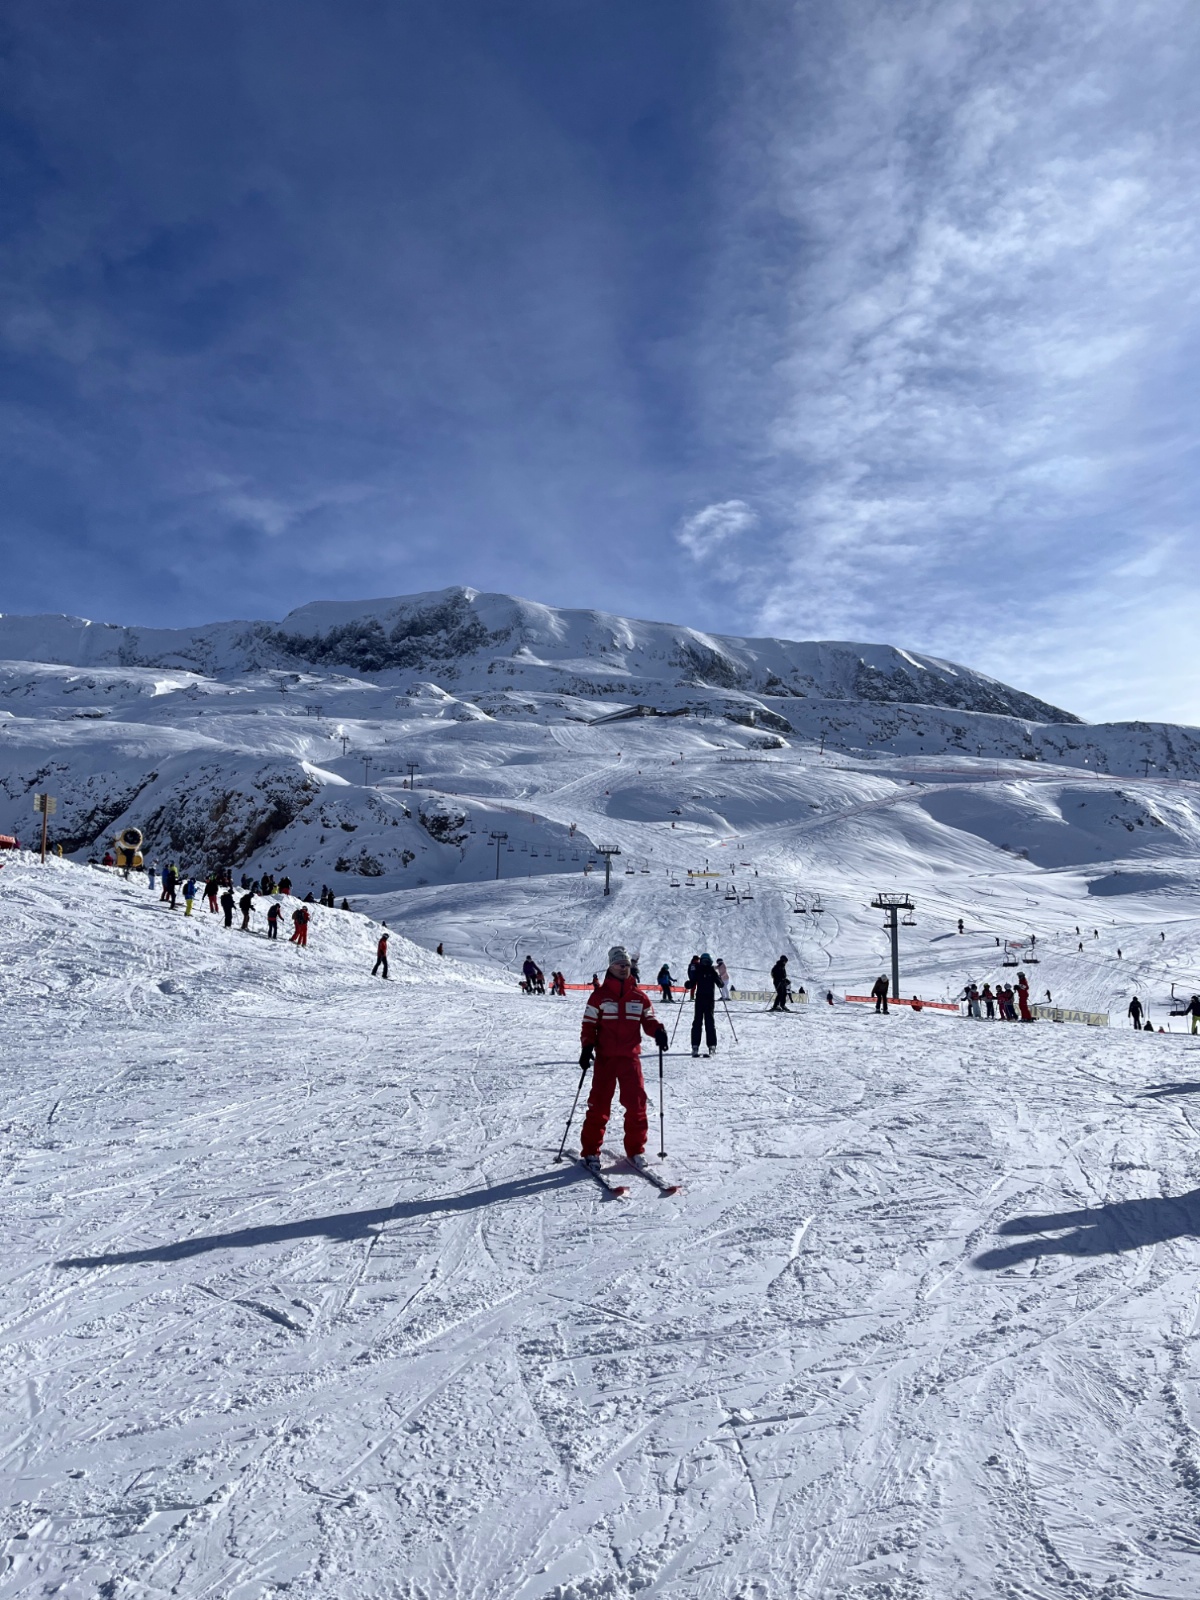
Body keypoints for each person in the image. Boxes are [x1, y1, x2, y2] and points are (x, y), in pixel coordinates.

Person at [578, 946, 668, 1168]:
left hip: (630, 1060)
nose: (623, 968)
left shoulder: (639, 997)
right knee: (598, 1106)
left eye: (626, 965)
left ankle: (636, 1150)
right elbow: (589, 1025)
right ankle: (591, 1151)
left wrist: (658, 1030)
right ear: (610, 966)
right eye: (619, 964)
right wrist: (587, 1047)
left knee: (637, 1105)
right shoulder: (599, 996)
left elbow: (648, 1020)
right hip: (605, 1060)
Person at [690, 953, 720, 1058]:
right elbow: (692, 982)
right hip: (700, 1000)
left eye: (706, 961)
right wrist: (688, 984)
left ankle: (712, 1046)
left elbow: (719, 982)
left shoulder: (711, 971)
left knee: (709, 1022)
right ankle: (695, 1046)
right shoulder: (699, 970)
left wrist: (719, 981)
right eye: (703, 961)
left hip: (709, 1000)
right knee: (697, 1022)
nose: (705, 963)